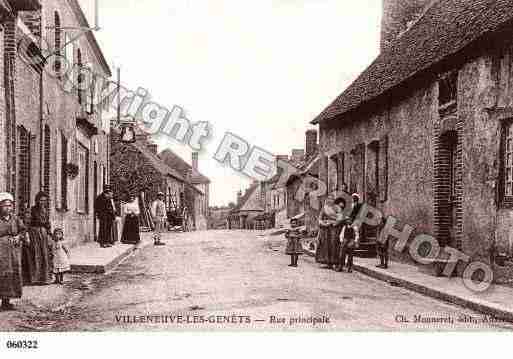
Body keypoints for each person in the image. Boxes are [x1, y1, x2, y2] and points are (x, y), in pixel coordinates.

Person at [0, 192, 27, 311]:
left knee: (11, 273)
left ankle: (6, 301)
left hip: (13, 251)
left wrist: (18, 237)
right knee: (2, 273)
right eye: (5, 205)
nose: (8, 208)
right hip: (1, 250)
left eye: (10, 205)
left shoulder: (15, 219)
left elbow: (23, 230)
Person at [24, 191, 52, 285]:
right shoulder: (31, 210)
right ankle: (34, 278)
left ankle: (44, 278)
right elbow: (27, 223)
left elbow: (48, 224)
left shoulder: (45, 210)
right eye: (41, 200)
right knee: (35, 254)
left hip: (43, 234)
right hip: (34, 233)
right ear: (37, 200)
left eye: (45, 200)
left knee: (44, 254)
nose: (43, 202)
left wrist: (49, 234)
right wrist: (26, 234)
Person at [315, 195, 339, 269]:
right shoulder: (324, 208)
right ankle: (328, 262)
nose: (330, 200)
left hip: (334, 229)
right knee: (326, 245)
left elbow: (340, 218)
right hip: (325, 230)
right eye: (329, 199)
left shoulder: (337, 208)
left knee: (333, 244)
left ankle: (334, 261)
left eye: (332, 199)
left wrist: (333, 222)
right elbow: (319, 219)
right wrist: (323, 223)